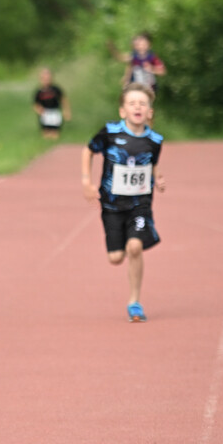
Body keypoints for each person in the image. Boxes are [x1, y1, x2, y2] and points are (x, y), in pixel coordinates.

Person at [81, 82, 166, 323]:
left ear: (149, 112)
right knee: (116, 257)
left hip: (140, 204)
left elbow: (152, 164)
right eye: (132, 103)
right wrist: (86, 182)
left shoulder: (155, 140)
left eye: (142, 103)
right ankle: (125, 245)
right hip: (111, 206)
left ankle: (134, 302)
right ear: (122, 111)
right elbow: (88, 151)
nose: (137, 107)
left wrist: (157, 179)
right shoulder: (109, 133)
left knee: (135, 248)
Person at [32, 67, 71, 139]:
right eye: (44, 78)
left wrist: (66, 111)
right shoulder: (39, 91)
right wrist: (39, 110)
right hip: (45, 114)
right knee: (46, 134)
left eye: (48, 77)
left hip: (55, 113)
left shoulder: (56, 89)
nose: (46, 80)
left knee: (55, 134)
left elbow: (63, 100)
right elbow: (35, 104)